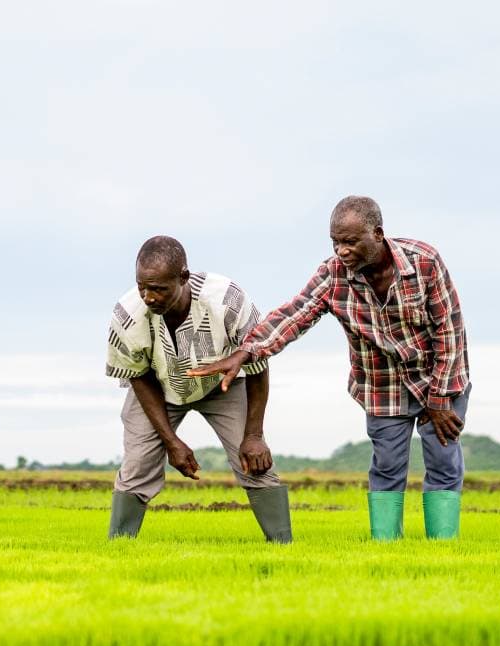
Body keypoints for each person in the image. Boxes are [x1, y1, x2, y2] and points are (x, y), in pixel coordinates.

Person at [191, 196, 470, 540]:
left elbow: (449, 330)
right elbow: (294, 314)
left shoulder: (424, 262)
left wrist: (440, 398)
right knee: (386, 466)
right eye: (335, 242)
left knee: (443, 460)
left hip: (438, 377)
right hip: (381, 385)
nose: (341, 251)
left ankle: (443, 547)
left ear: (378, 233)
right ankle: (388, 546)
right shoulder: (333, 274)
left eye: (350, 242)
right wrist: (246, 351)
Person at [104, 236, 292, 543]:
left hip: (223, 384)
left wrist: (254, 435)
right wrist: (171, 442)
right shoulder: (127, 315)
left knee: (254, 460)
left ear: (183, 277)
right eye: (142, 287)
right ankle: (119, 548)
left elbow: (258, 361)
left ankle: (283, 546)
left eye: (159, 289)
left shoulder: (227, 300)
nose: (148, 297)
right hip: (157, 387)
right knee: (137, 465)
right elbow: (139, 376)